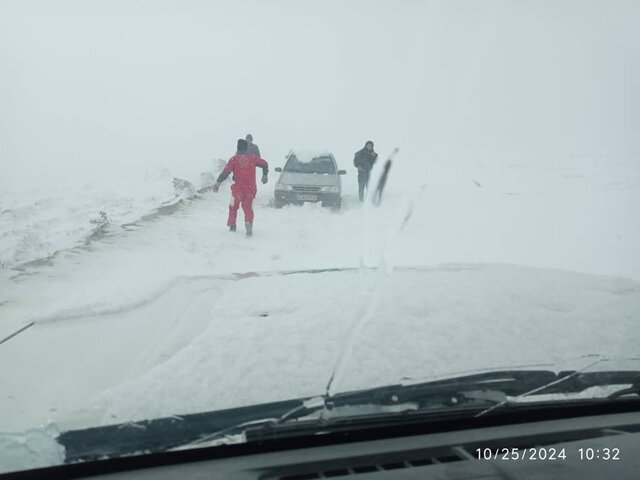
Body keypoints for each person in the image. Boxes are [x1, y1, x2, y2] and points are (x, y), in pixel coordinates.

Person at [213, 139, 268, 237]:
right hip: (250, 188)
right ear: (247, 148)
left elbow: (226, 172)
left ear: (237, 148)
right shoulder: (253, 158)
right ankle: (248, 222)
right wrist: (265, 174)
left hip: (238, 189)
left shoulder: (234, 159)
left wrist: (218, 182)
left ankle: (232, 225)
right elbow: (265, 164)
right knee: (248, 208)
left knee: (233, 206)